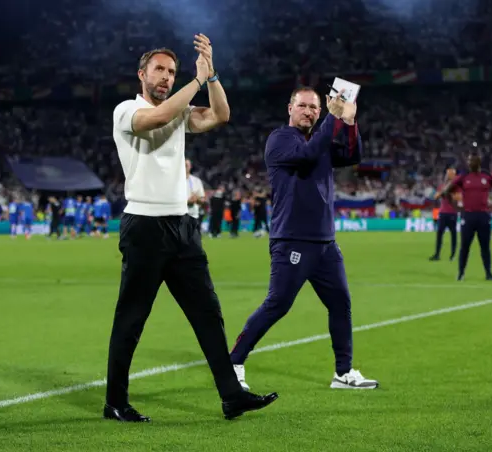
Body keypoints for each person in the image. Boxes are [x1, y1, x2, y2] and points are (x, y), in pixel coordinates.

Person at [104, 35, 278, 423]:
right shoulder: (126, 110)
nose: (166, 77)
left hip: (183, 226)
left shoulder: (180, 110)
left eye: (172, 72)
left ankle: (231, 395)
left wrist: (211, 75)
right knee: (132, 318)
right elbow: (159, 116)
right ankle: (115, 401)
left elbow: (221, 115)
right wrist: (195, 82)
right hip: (144, 227)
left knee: (207, 313)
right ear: (142, 74)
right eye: (160, 70)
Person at [230, 86, 379, 390]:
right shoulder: (280, 140)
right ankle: (233, 362)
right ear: (290, 108)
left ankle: (343, 372)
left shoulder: (319, 139)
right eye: (303, 106)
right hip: (292, 240)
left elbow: (353, 156)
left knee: (340, 304)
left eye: (314, 108)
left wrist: (349, 122)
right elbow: (308, 155)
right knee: (278, 304)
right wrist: (332, 121)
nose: (308, 111)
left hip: (325, 243)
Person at [437, 153, 492, 281]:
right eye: (468, 161)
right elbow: (446, 192)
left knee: (485, 246)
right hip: (468, 216)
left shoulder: (487, 176)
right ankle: (461, 273)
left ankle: (488, 273)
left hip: (484, 216)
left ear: (478, 162)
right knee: (465, 246)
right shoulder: (463, 176)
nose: (469, 163)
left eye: (471, 160)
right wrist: (456, 207)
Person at [429, 168, 461, 261]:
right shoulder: (443, 186)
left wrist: (449, 192)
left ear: (454, 175)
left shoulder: (457, 186)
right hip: (443, 213)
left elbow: (458, 198)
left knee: (453, 234)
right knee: (439, 234)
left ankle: (453, 255)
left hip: (452, 213)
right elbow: (435, 196)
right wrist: (443, 191)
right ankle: (437, 254)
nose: (448, 176)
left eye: (450, 174)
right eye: (447, 174)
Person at [185, 158, 206, 231]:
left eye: (186, 165)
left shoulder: (196, 181)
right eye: (183, 165)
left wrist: (196, 199)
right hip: (178, 216)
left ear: (190, 167)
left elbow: (202, 199)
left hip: (193, 216)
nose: (185, 167)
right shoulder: (175, 182)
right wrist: (187, 202)